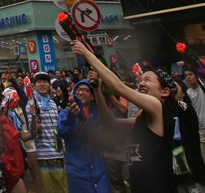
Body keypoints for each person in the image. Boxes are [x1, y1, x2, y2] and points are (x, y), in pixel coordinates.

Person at [71, 40, 178, 193]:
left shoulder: (158, 107)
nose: (141, 83)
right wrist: (97, 90)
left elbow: (118, 87)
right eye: (140, 80)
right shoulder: (143, 116)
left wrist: (87, 54)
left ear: (165, 92)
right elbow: (111, 123)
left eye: (147, 80)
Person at [57, 79, 110, 193]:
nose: (81, 93)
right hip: (78, 174)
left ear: (92, 96)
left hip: (99, 172)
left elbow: (101, 137)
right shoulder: (65, 113)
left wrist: (83, 119)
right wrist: (71, 118)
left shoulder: (98, 115)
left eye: (85, 90)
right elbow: (62, 132)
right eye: (78, 90)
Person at [25, 72, 66, 193]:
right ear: (34, 86)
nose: (42, 84)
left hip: (58, 153)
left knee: (62, 188)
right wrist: (33, 118)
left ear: (49, 85)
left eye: (45, 82)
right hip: (44, 156)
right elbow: (32, 133)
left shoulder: (53, 104)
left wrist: (63, 147)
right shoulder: (32, 104)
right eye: (39, 82)